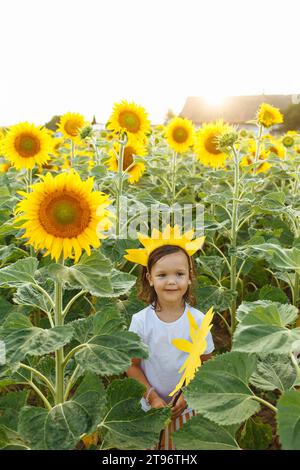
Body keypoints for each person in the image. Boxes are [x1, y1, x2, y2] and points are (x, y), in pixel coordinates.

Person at [125, 226, 215, 450]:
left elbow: (207, 365)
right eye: (162, 275)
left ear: (189, 277)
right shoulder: (141, 321)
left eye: (179, 274)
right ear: (150, 278)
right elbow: (132, 366)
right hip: (150, 407)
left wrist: (189, 395)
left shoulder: (199, 320)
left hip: (188, 407)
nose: (172, 281)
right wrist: (152, 396)